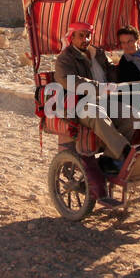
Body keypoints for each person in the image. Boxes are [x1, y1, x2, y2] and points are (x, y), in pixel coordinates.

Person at [52, 21, 131, 206]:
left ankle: (110, 159)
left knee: (132, 115)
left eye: (87, 35)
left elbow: (113, 73)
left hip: (105, 100)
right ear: (71, 37)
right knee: (98, 115)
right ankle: (126, 153)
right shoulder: (65, 58)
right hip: (79, 103)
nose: (85, 39)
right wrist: (100, 88)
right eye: (81, 35)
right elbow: (68, 80)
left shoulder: (99, 54)